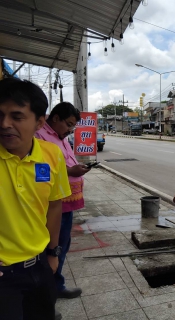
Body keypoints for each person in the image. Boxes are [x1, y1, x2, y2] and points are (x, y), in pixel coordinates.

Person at [0, 78, 71, 319]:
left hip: (39, 266)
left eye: (16, 117)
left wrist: (53, 253)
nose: (5, 124)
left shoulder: (52, 155)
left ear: (40, 122)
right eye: (0, 115)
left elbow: (54, 205)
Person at [35, 102, 90, 299]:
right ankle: (47, 293)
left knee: (60, 246)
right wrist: (69, 171)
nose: (69, 130)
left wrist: (76, 168)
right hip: (52, 203)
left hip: (66, 202)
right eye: (68, 124)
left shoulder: (60, 136)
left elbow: (63, 161)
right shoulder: (39, 135)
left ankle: (55, 286)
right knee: (50, 248)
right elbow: (40, 169)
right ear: (55, 118)